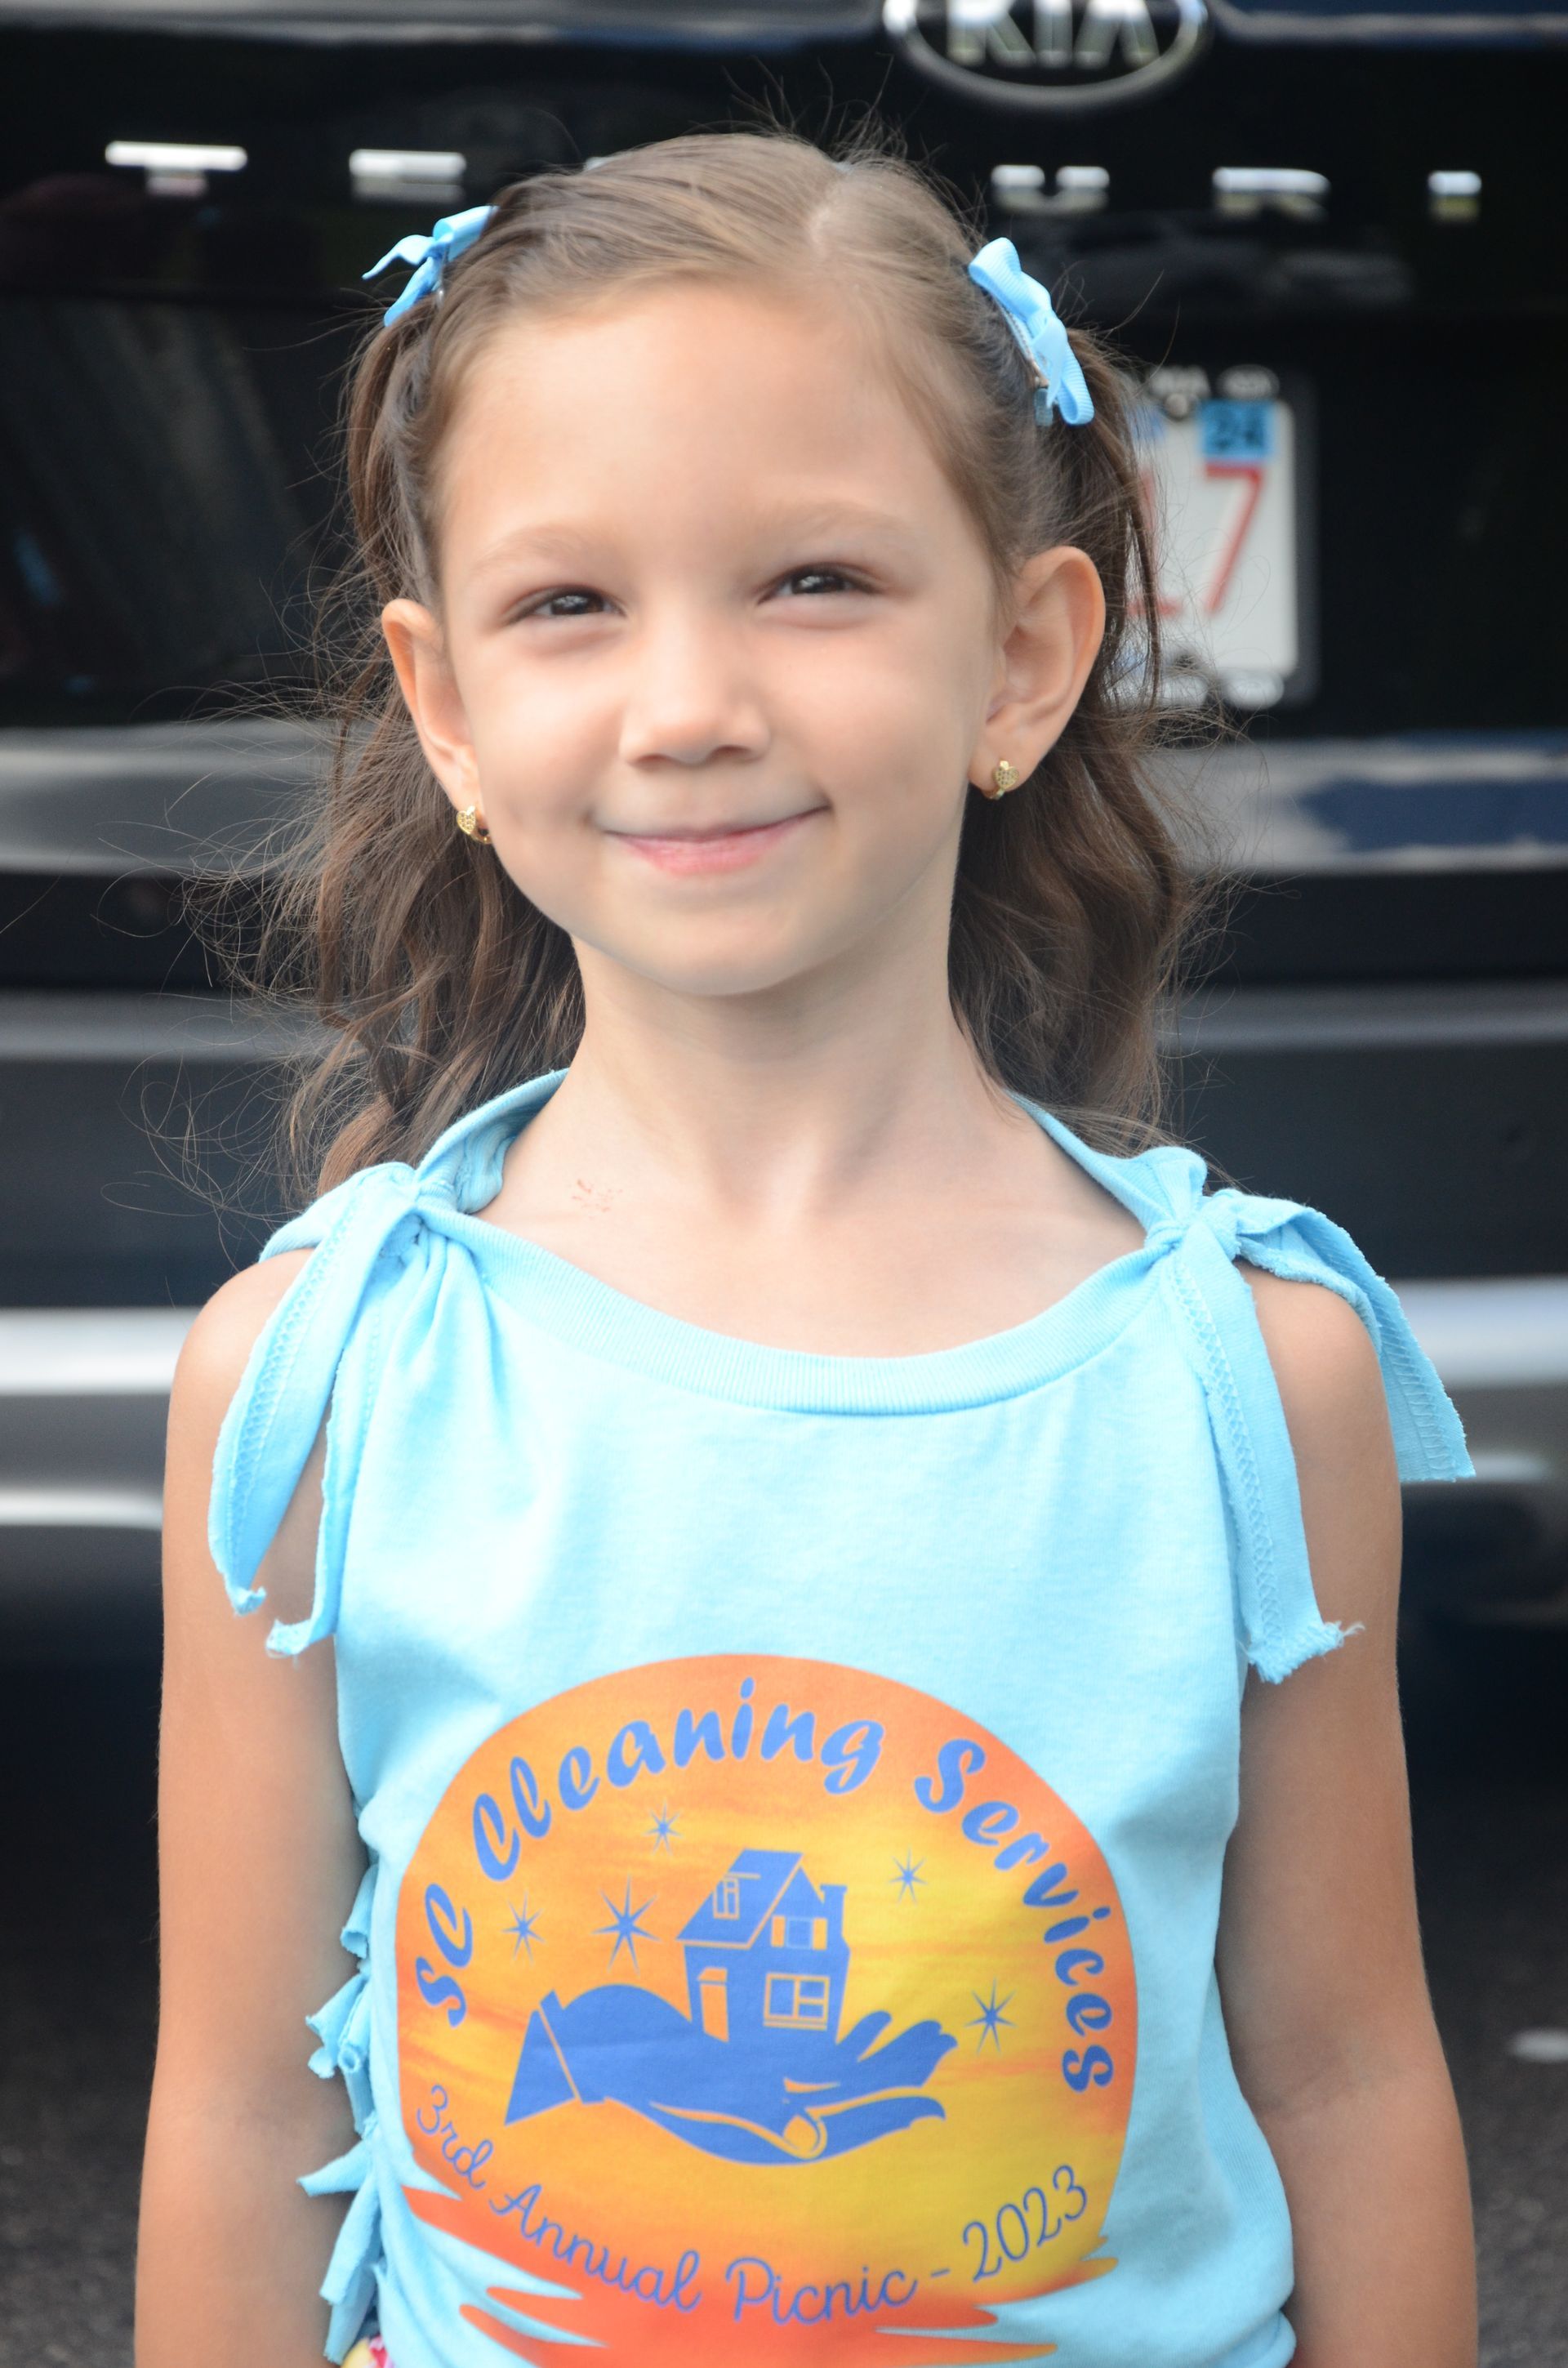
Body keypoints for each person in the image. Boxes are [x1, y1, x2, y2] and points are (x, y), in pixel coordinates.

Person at [136, 125, 1479, 2368]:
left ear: (1028, 659)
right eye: (571, 602)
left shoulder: (1256, 1373)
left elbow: (1347, 2076)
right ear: (449, 703)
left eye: (815, 582)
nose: (689, 704)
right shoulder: (314, 1377)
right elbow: (233, 2112)